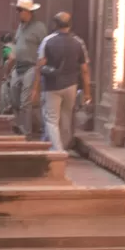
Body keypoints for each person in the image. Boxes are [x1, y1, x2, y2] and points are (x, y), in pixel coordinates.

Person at [32, 12, 91, 152]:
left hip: (52, 86)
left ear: (55, 24)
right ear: (70, 24)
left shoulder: (48, 41)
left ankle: (58, 151)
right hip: (71, 85)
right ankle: (62, 147)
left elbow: (40, 65)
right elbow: (84, 69)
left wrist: (35, 88)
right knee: (66, 119)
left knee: (52, 119)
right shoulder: (78, 42)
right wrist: (87, 92)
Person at [9, 0, 48, 136]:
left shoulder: (39, 27)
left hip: (31, 67)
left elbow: (45, 48)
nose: (18, 13)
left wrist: (40, 67)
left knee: (26, 101)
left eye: (20, 10)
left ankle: (26, 132)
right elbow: (15, 43)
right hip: (18, 67)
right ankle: (20, 125)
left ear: (28, 12)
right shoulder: (20, 26)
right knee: (14, 98)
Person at [0, 33, 15, 114]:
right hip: (17, 76)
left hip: (9, 78)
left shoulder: (6, 48)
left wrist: (6, 73)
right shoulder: (16, 47)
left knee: (5, 99)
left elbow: (12, 58)